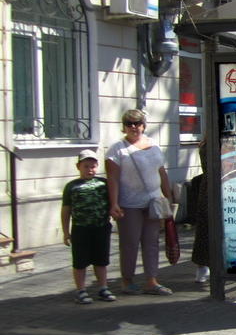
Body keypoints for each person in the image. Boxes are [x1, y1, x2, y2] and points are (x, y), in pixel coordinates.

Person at [106, 110, 173, 295]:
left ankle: (151, 281)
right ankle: (127, 281)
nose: (134, 127)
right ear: (124, 127)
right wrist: (114, 203)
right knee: (130, 243)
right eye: (129, 124)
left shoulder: (154, 145)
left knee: (151, 242)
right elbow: (112, 178)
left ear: (144, 125)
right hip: (129, 204)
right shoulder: (117, 149)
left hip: (153, 202)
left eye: (137, 123)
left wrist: (168, 197)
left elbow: (161, 172)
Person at [61, 150, 116, 304]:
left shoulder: (103, 184)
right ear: (78, 166)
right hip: (81, 228)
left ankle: (103, 288)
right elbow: (66, 209)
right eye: (86, 166)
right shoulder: (72, 186)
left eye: (93, 166)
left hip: (101, 227)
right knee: (80, 261)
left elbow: (113, 200)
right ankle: (80, 290)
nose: (90, 169)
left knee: (101, 260)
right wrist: (66, 231)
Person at [190, 140, 209, 284]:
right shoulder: (208, 143)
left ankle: (203, 266)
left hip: (223, 186)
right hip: (212, 188)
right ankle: (202, 265)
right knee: (205, 228)